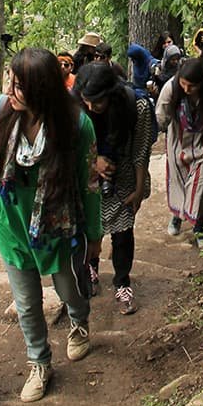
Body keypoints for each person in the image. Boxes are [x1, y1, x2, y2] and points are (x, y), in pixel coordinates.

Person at [0, 48, 102, 403]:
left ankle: (79, 322)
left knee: (69, 289)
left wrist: (94, 234)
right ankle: (39, 362)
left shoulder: (76, 125)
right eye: (11, 82)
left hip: (58, 225)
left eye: (19, 86)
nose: (10, 90)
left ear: (42, 90)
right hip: (11, 222)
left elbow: (89, 183)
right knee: (27, 303)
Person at [76, 63, 155, 315]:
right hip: (88, 178)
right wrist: (93, 161)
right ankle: (91, 268)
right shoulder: (77, 107)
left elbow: (141, 148)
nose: (90, 108)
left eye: (97, 103)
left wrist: (140, 188)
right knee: (90, 227)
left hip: (124, 176)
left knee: (122, 232)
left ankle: (122, 282)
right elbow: (68, 148)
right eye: (86, 102)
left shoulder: (136, 105)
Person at [155, 57, 203, 249]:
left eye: (191, 86)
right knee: (179, 183)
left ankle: (200, 227)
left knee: (202, 189)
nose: (186, 89)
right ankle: (177, 216)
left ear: (202, 82)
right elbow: (161, 115)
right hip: (178, 142)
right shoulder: (171, 88)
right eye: (183, 84)